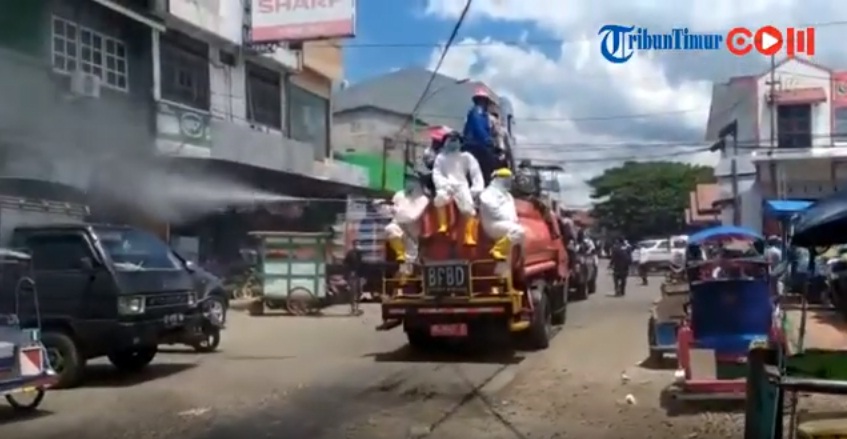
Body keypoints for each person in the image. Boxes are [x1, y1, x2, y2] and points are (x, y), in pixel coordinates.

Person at [432, 131, 485, 245]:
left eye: (455, 140)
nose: (453, 142)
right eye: (450, 140)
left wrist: (476, 188)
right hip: (446, 185)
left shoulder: (466, 157)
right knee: (439, 198)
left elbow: (476, 173)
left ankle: (469, 236)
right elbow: (437, 174)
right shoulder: (440, 158)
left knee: (468, 210)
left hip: (462, 185)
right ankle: (443, 225)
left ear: (460, 142)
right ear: (445, 142)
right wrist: (444, 184)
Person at [478, 168, 524, 260]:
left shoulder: (508, 195)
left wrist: (514, 220)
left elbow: (512, 211)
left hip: (505, 224)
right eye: (506, 179)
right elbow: (492, 210)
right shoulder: (488, 193)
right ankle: (497, 249)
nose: (508, 183)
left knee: (516, 234)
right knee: (518, 231)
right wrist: (506, 218)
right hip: (493, 224)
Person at [383, 174, 429, 262]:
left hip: (412, 233)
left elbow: (412, 216)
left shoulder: (423, 199)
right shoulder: (399, 195)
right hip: (399, 227)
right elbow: (390, 211)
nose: (408, 181)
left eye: (411, 179)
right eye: (406, 178)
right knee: (390, 229)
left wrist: (397, 211)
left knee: (411, 257)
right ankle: (400, 254)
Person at [463, 88, 497, 183]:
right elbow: (479, 128)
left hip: (473, 145)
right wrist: (488, 140)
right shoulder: (478, 112)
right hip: (476, 145)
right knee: (488, 166)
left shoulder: (478, 113)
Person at [342, 245, 364, 315]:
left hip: (358, 275)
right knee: (353, 292)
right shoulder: (351, 254)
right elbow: (345, 263)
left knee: (359, 291)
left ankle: (356, 308)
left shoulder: (359, 255)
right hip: (352, 275)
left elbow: (361, 265)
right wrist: (349, 272)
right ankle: (353, 308)